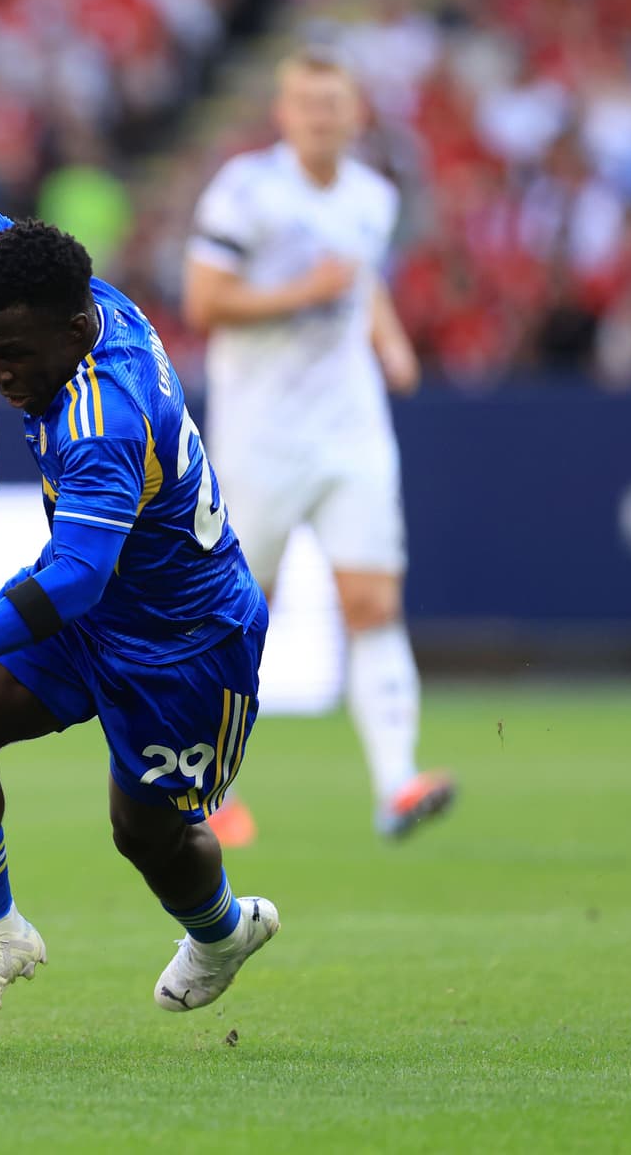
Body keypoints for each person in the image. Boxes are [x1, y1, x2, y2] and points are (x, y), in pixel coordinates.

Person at [0, 215, 277, 1035]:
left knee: (146, 835)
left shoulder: (101, 422)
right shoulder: (81, 300)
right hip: (98, 610)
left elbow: (78, 579)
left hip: (183, 644)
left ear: (77, 333)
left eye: (16, 357)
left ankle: (223, 931)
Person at [184, 50, 454, 846]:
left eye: (333, 104)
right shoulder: (246, 189)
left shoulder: (373, 196)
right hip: (262, 434)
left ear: (355, 114)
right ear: (283, 113)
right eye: (307, 104)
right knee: (235, 613)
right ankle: (199, 788)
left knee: (372, 602)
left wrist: (391, 341)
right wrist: (305, 293)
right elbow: (204, 300)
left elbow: (360, 279)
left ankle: (398, 784)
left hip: (351, 429)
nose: (320, 117)